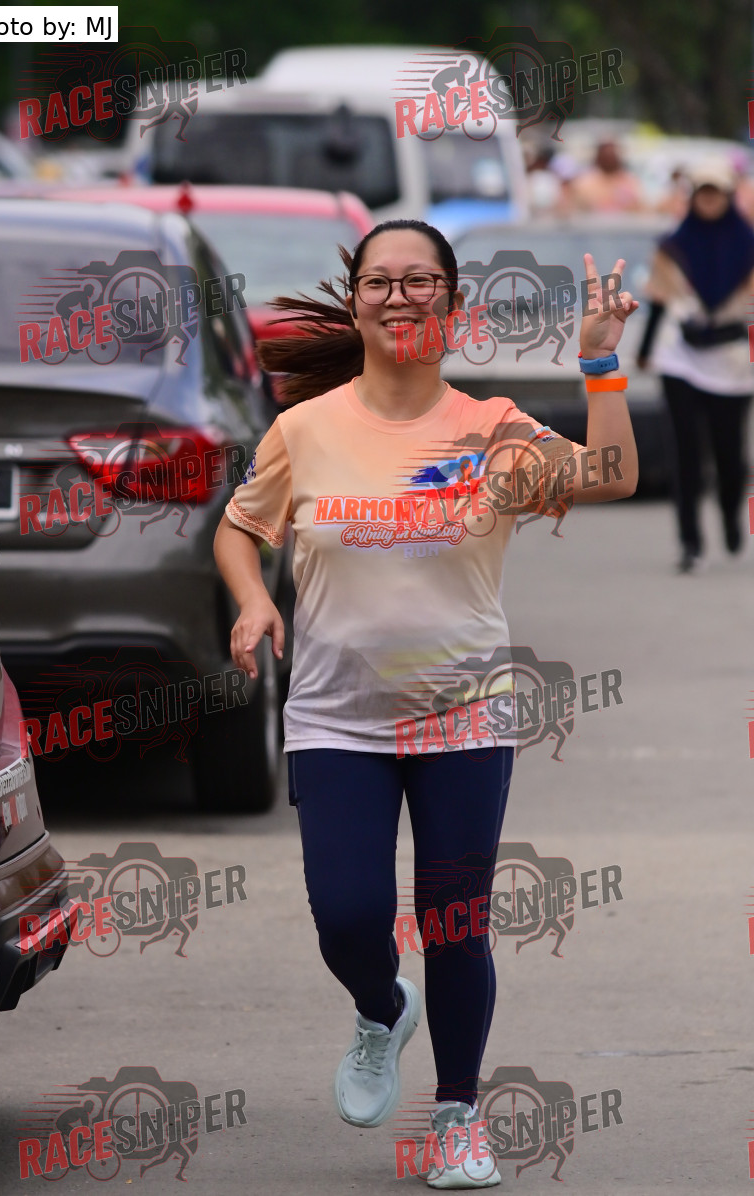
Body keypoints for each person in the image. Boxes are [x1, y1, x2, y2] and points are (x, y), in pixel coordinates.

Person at [213, 219, 638, 1189]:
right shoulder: (304, 429)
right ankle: (380, 1007)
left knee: (455, 920)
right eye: (379, 282)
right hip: (336, 719)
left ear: (452, 304)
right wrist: (251, 601)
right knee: (347, 914)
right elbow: (238, 530)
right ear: (355, 301)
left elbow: (611, 476)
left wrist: (601, 362)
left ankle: (457, 1113)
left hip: (463, 719)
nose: (398, 296)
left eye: (418, 282)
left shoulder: (494, 429)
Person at [638, 158, 754, 572]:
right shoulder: (673, 246)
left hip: (732, 362)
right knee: (685, 451)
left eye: (715, 193)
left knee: (729, 453)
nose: (708, 200)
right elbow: (658, 300)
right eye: (702, 192)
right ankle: (690, 542)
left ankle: (730, 515)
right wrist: (645, 350)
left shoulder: (748, 245)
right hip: (680, 357)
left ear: (727, 197)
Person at [570, 139, 646, 213]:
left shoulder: (630, 181)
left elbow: (640, 206)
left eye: (611, 154)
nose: (608, 157)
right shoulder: (584, 182)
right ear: (598, 157)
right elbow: (577, 208)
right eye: (605, 155)